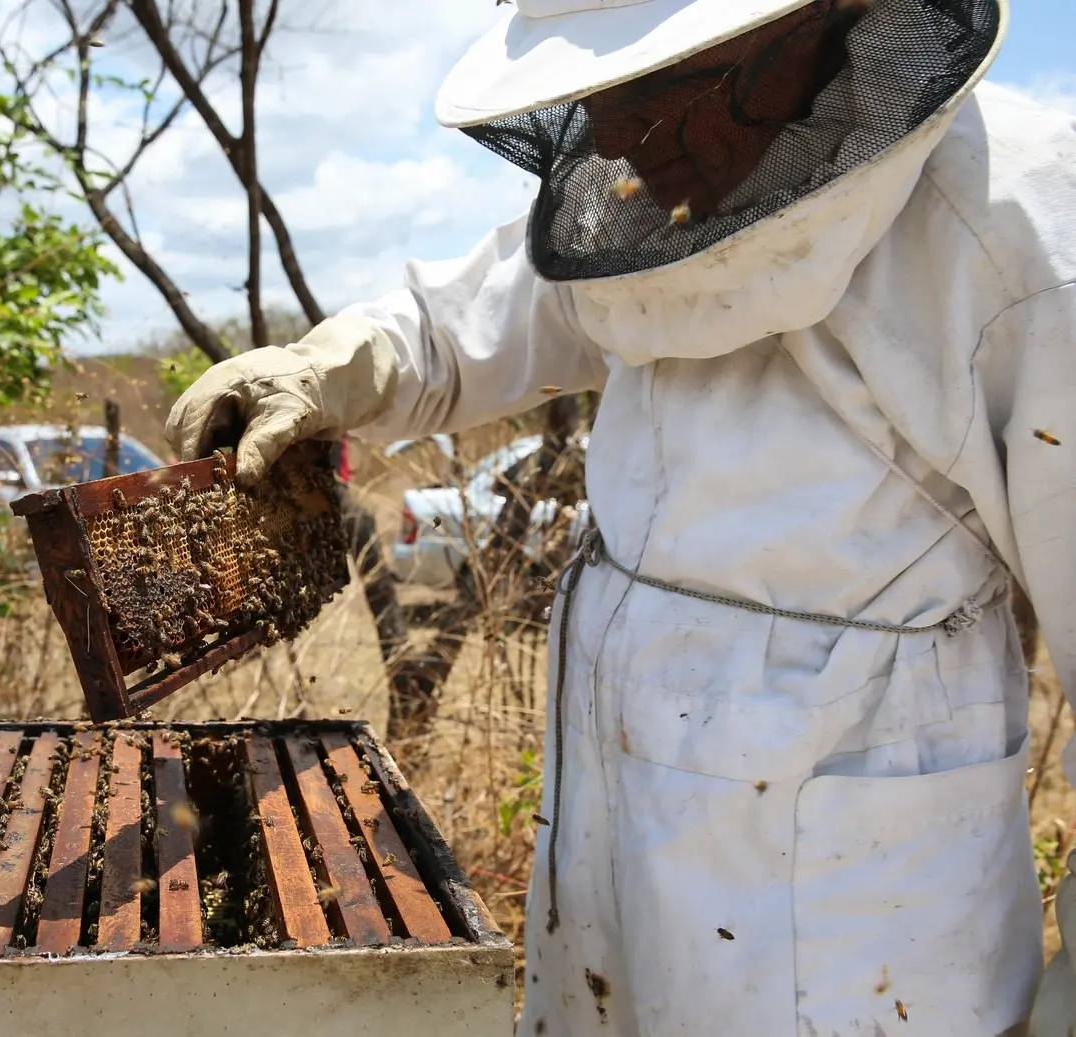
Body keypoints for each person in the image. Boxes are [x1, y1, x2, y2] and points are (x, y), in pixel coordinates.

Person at [166, 0, 1076, 1033]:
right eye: (603, 96)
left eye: (658, 86)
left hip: (867, 945)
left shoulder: (1024, 230)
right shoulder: (659, 196)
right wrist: (325, 367)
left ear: (826, 23)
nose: (614, 140)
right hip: (609, 874)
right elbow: (467, 319)